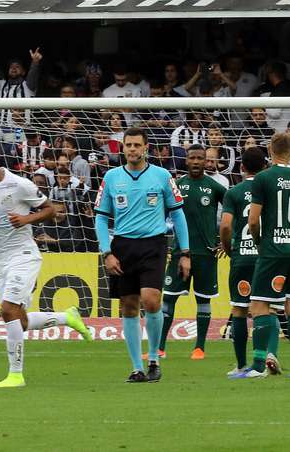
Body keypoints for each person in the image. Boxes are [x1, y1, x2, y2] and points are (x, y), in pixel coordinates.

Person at [0, 138, 92, 388]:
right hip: (0, 258)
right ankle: (67, 317)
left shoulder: (19, 185)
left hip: (24, 255)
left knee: (7, 309)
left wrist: (26, 219)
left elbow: (51, 209)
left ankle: (16, 374)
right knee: (18, 320)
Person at [95, 127, 190, 383]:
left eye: (137, 145)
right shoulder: (112, 178)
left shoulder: (162, 176)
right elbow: (101, 218)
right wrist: (107, 252)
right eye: (128, 145)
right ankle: (137, 368)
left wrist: (185, 251)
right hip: (123, 247)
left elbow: (178, 214)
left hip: (153, 245)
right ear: (123, 147)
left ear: (146, 147)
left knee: (151, 301)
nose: (133, 149)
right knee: (128, 305)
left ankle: (154, 359)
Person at [157, 145, 226, 359]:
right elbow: (160, 215)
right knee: (168, 299)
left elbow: (234, 212)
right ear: (186, 161)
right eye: (192, 158)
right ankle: (159, 347)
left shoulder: (215, 187)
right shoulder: (177, 186)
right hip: (179, 253)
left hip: (206, 254)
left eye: (200, 158)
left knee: (203, 300)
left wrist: (227, 241)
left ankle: (199, 348)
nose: (196, 162)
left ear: (206, 161)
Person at [236, 132, 290, 378]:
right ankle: (270, 357)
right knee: (280, 307)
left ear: (270, 150)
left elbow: (253, 220)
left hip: (273, 251)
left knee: (259, 306)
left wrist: (259, 242)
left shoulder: (263, 178)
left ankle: (257, 367)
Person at [219, 147, 270, 376]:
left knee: (239, 309)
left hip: (241, 258)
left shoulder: (234, 192)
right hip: (265, 256)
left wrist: (230, 249)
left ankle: (240, 365)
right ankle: (262, 362)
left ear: (241, 167)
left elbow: (226, 226)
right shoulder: (269, 188)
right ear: (265, 167)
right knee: (265, 308)